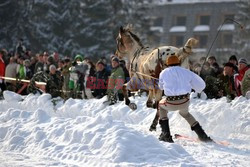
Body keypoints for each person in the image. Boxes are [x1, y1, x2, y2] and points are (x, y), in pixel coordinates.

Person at [157, 55, 212, 143]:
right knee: (185, 114)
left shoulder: (163, 72)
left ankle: (165, 134)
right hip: (185, 102)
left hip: (171, 103)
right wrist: (196, 88)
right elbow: (201, 86)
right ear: (178, 63)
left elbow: (160, 87)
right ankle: (202, 135)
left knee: (161, 106)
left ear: (167, 64)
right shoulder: (186, 72)